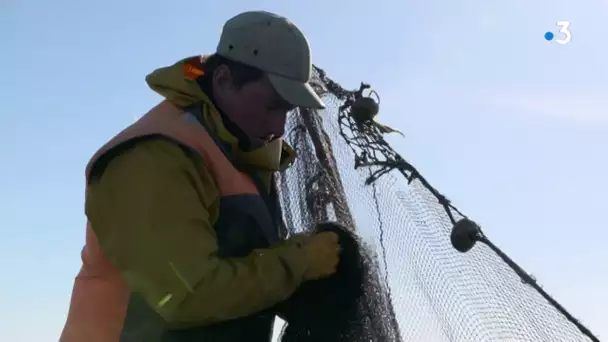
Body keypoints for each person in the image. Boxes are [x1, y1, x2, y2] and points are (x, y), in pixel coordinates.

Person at [60, 10, 341, 342]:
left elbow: (242, 273)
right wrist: (301, 262)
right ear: (223, 80)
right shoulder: (153, 158)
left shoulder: (242, 153)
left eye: (287, 111)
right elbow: (185, 296)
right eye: (272, 105)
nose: (279, 127)